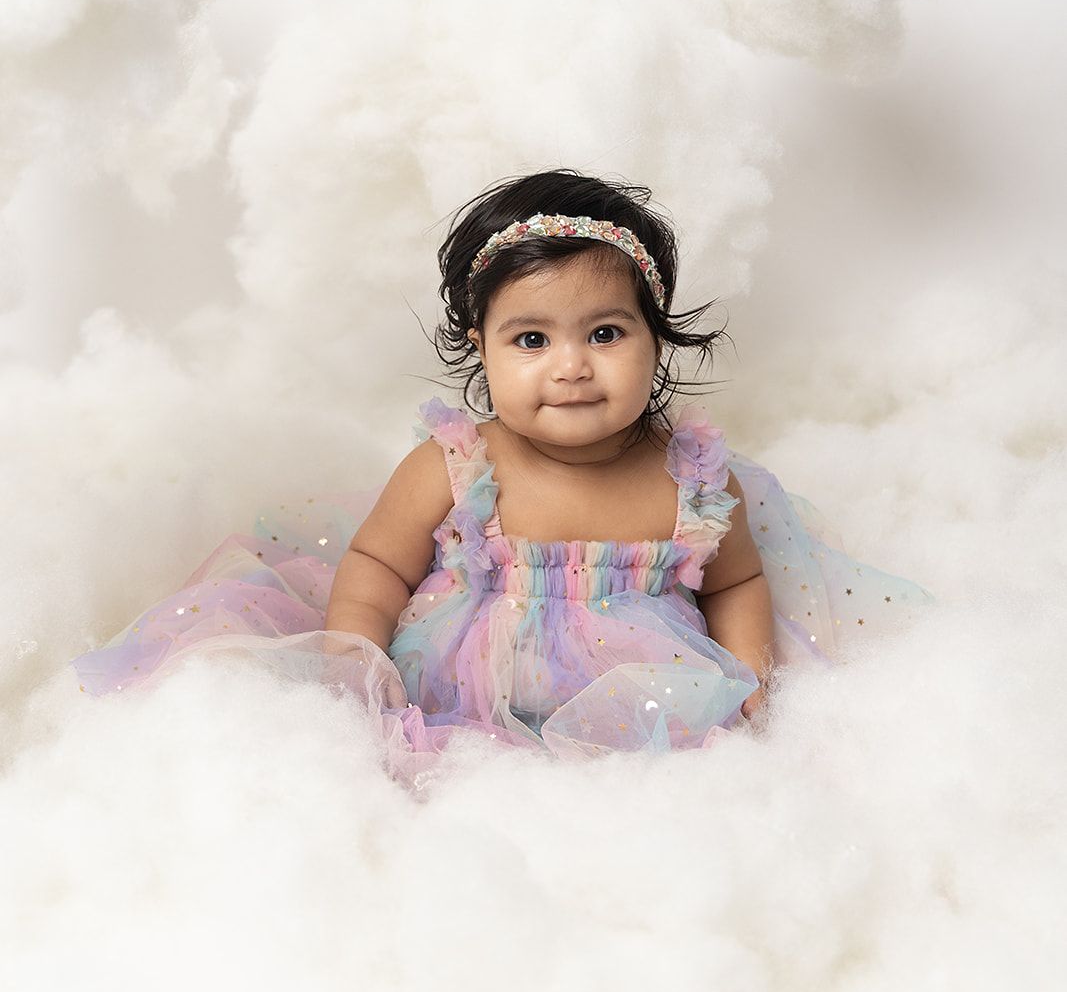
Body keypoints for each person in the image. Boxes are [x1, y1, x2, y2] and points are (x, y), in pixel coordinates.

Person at [71, 168, 935, 791]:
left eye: (604, 333)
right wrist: (354, 658)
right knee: (437, 788)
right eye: (531, 340)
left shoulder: (693, 478)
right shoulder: (459, 463)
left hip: (642, 702)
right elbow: (376, 563)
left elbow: (739, 579)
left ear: (655, 340)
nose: (570, 367)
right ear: (479, 351)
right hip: (459, 691)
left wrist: (750, 683)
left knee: (655, 802)